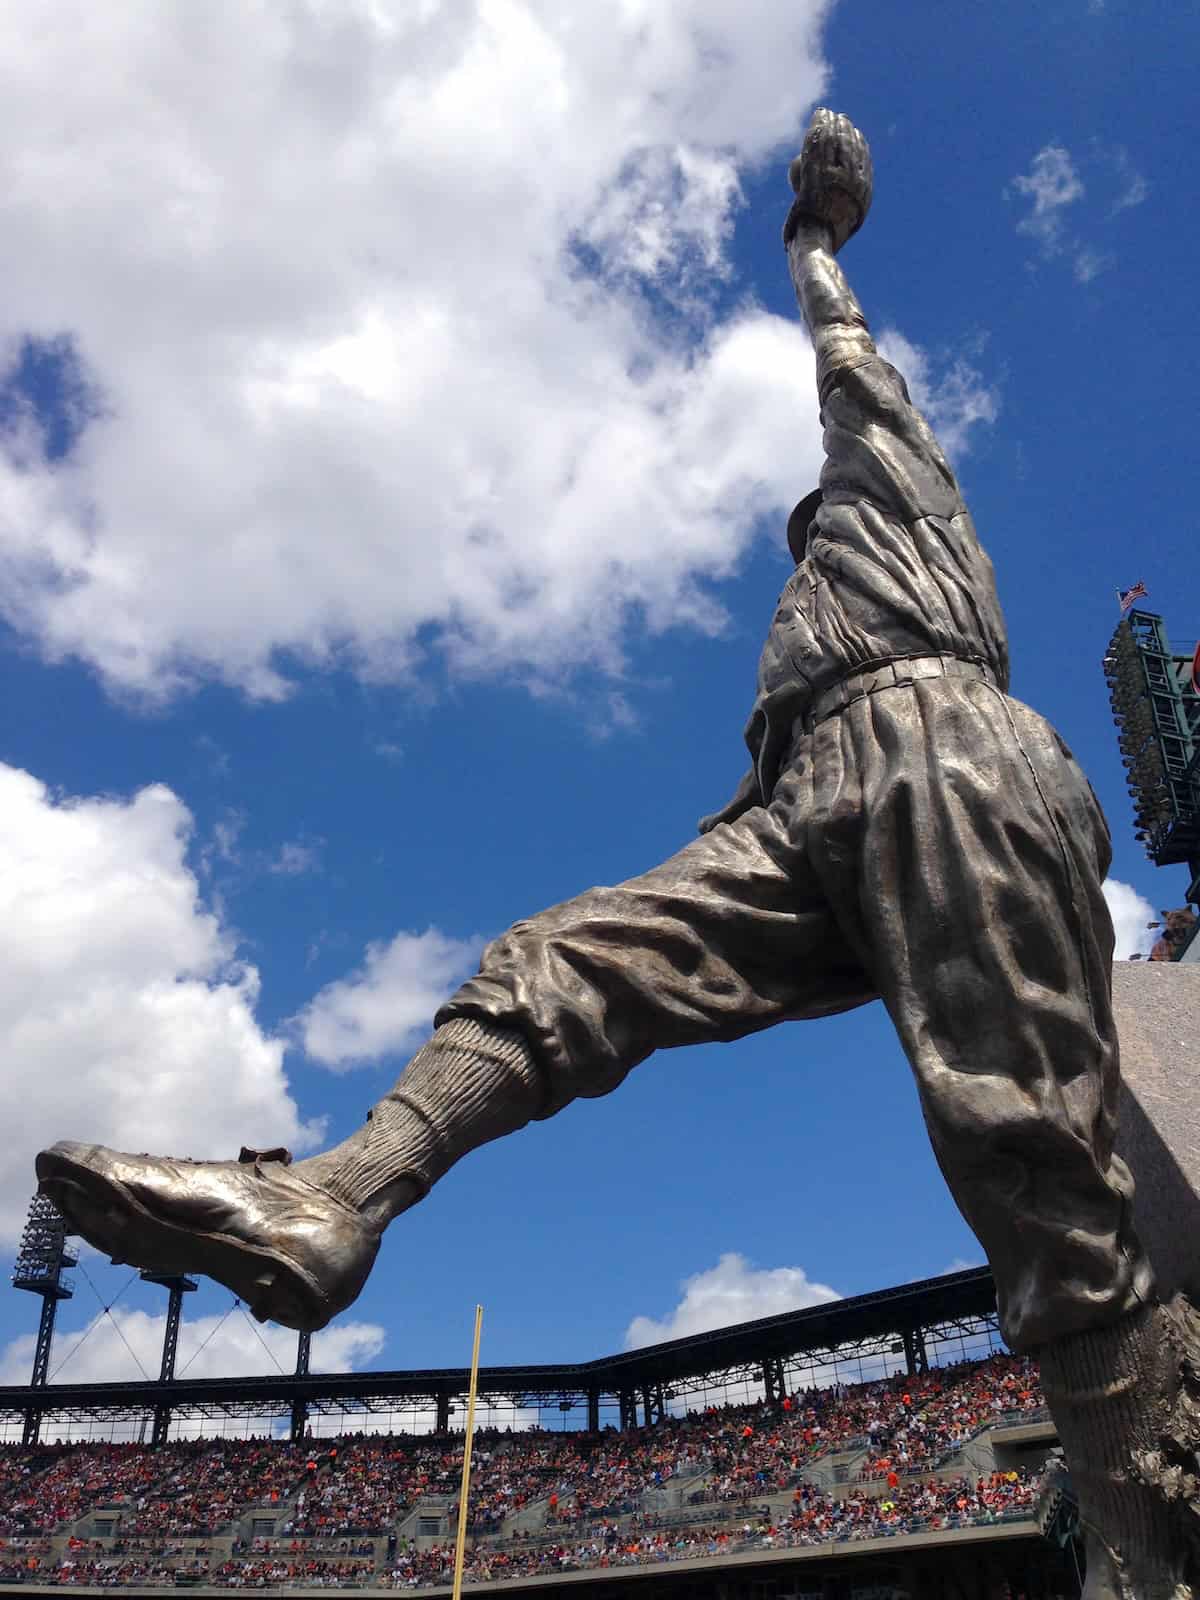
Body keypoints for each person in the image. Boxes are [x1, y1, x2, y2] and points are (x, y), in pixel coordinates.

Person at [37, 110, 1199, 1592]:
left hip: (946, 750)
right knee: (565, 959)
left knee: (1020, 1144)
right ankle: (341, 1198)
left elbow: (848, 371)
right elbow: (750, 830)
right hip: (817, 805)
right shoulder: (791, 673)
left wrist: (816, 251)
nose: (803, 537)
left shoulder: (895, 493)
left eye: (813, 519)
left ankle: (1145, 1522)